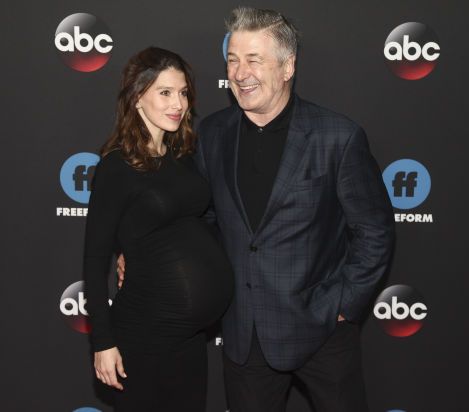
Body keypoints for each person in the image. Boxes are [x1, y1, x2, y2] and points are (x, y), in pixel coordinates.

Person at [117, 7, 395, 411]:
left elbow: (374, 230)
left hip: (322, 331)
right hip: (245, 334)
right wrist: (145, 253)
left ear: (287, 67)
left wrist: (343, 305)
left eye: (253, 60)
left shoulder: (338, 137)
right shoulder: (213, 133)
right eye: (232, 60)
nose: (240, 73)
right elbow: (200, 220)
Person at [84, 46, 233, 412]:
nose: (178, 104)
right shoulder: (116, 167)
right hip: (144, 335)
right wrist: (102, 343)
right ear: (138, 96)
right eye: (165, 93)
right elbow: (94, 261)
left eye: (183, 93)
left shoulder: (183, 156)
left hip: (190, 339)